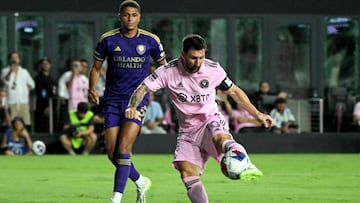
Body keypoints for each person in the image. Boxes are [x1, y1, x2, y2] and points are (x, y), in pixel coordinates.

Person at [125, 34, 273, 203]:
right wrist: (132, 107)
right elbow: (143, 88)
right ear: (183, 54)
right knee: (186, 172)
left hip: (209, 119)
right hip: (188, 131)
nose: (197, 62)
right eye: (193, 58)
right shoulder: (167, 72)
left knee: (219, 137)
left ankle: (244, 161)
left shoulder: (213, 69)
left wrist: (258, 114)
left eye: (201, 57)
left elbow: (235, 92)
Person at [87, 1, 167, 203]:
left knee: (123, 149)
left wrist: (152, 86)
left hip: (137, 101)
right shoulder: (108, 39)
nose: (130, 18)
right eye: (126, 15)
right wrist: (91, 89)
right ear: (120, 16)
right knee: (112, 154)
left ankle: (116, 199)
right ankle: (140, 181)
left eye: (134, 15)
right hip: (112, 100)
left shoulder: (150, 40)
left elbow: (164, 68)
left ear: (139, 17)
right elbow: (96, 68)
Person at [1, 51, 35, 129]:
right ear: (9, 60)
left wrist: (26, 90)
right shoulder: (5, 71)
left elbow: (32, 84)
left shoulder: (24, 71)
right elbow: (5, 81)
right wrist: (10, 71)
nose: (14, 59)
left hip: (23, 102)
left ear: (19, 60)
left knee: (25, 124)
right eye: (13, 58)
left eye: (16, 58)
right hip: (11, 102)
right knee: (13, 124)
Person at [34, 57, 56, 132]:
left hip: (52, 104)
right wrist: (46, 105)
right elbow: (41, 92)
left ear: (50, 65)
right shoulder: (39, 78)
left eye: (47, 64)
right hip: (42, 105)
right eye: (43, 64)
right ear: (40, 66)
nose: (45, 65)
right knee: (42, 123)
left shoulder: (51, 78)